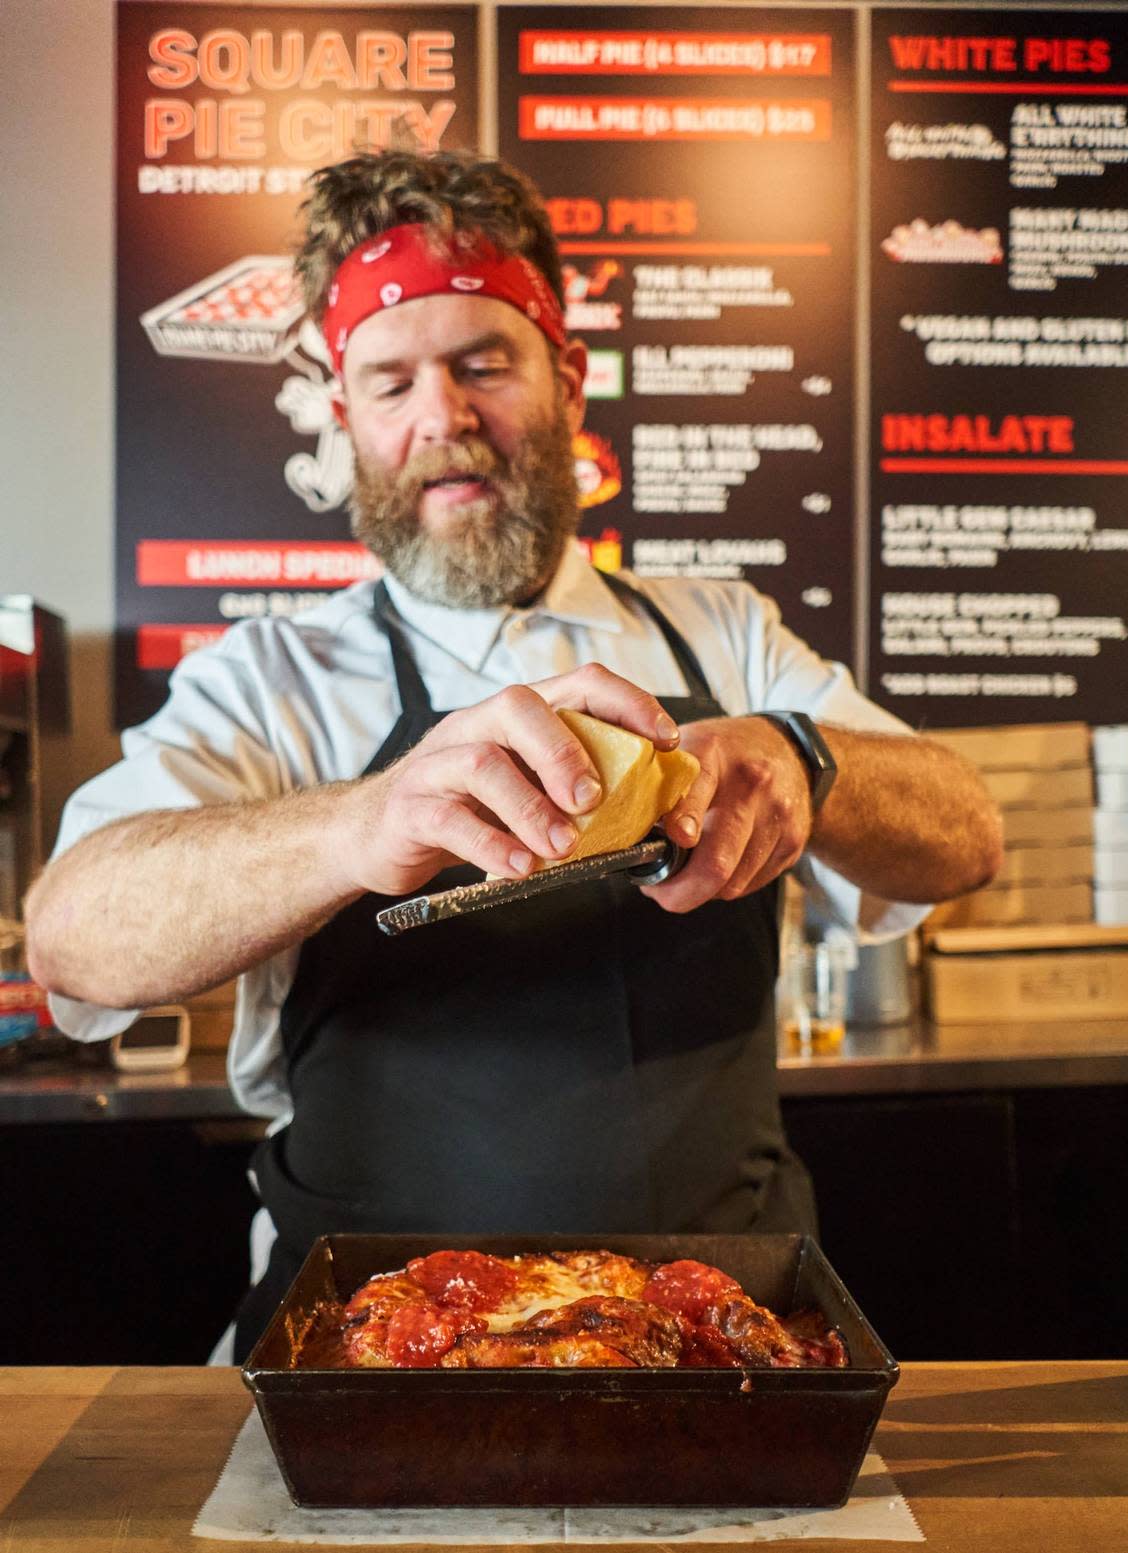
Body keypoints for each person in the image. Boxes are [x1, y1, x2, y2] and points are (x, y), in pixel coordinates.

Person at [25, 149, 1002, 1359]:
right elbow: (74, 935)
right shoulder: (268, 680)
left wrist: (807, 758)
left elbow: (968, 834)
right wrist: (359, 825)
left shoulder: (726, 634)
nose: (443, 417)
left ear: (569, 379)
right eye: (390, 383)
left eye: (483, 363)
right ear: (344, 419)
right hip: (366, 1356)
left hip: (720, 1346)